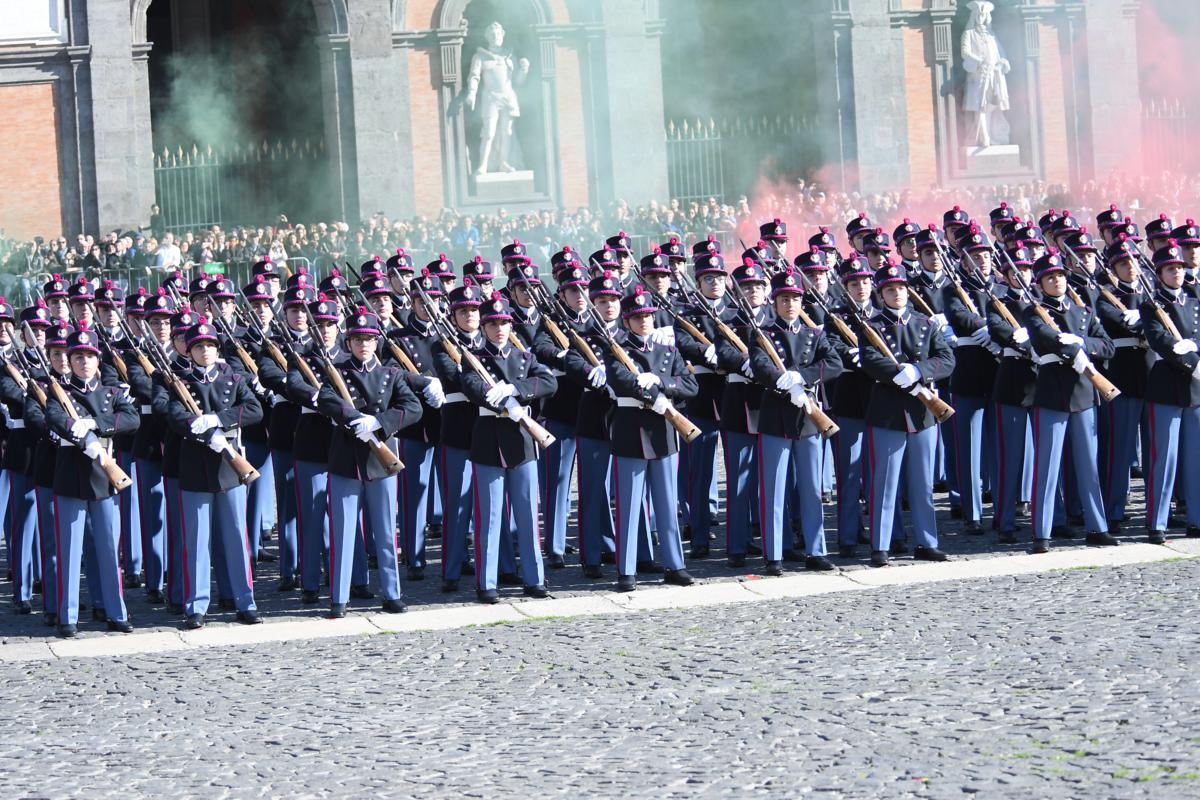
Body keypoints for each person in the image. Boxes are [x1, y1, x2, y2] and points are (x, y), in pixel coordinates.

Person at [316, 306, 422, 617]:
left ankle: (392, 593)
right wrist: (353, 417)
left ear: (377, 342)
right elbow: (325, 399)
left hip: (381, 461)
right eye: (357, 339)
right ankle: (339, 597)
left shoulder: (390, 374)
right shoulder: (337, 371)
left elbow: (413, 407)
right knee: (343, 532)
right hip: (346, 460)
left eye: (369, 339)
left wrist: (379, 422)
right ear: (348, 342)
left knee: (386, 532)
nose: (364, 344)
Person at [166, 316, 264, 629]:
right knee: (196, 543)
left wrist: (219, 420)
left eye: (209, 345)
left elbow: (254, 410)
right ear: (189, 351)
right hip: (196, 467)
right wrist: (200, 428)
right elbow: (174, 415)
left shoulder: (232, 378)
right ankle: (196, 605)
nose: (205, 351)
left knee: (236, 539)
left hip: (230, 467)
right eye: (198, 346)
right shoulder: (180, 382)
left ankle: (245, 601)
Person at [44, 322, 140, 637]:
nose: (84, 362)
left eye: (89, 356)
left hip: (104, 478)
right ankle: (67, 616)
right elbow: (53, 417)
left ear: (98, 359)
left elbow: (131, 419)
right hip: (70, 477)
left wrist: (95, 424)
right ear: (69, 361)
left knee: (110, 551)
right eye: (77, 357)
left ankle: (116, 612)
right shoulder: (59, 393)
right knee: (70, 552)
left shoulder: (111, 393)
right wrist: (74, 428)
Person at [460, 291, 557, 603]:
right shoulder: (473, 358)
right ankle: (486, 583)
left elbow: (549, 382)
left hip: (522, 440)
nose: (499, 328)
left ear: (511, 326)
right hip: (489, 440)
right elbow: (473, 387)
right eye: (492, 324)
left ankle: (535, 578)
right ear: (484, 328)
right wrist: (500, 399)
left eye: (503, 323)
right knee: (489, 517)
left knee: (528, 515)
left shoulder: (524, 358)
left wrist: (516, 389)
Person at [859, 261, 956, 567]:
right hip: (888, 412)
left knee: (922, 483)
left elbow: (946, 359)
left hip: (922, 410)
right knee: (885, 483)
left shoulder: (925, 323)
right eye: (890, 290)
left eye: (900, 288)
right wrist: (896, 373)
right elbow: (869, 359)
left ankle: (927, 541)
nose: (897, 293)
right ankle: (881, 545)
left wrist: (919, 370)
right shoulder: (872, 326)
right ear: (880, 294)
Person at [604, 285, 698, 592]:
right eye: (637, 317)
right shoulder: (616, 349)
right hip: (630, 430)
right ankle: (626, 569)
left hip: (663, 430)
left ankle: (675, 565)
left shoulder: (668, 350)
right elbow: (620, 381)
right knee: (629, 507)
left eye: (647, 315)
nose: (643, 321)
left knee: (668, 505)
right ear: (627, 321)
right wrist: (651, 394)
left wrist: (661, 382)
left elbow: (690, 385)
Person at [750, 267, 843, 574]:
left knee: (812, 488)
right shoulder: (763, 333)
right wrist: (784, 381)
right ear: (774, 302)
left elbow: (833, 363)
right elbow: (761, 366)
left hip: (808, 416)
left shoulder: (814, 334)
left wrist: (802, 377)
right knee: (774, 490)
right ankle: (774, 553)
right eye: (784, 299)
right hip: (776, 415)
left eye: (795, 298)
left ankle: (816, 550)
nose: (790, 304)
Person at [1022, 249, 1117, 553]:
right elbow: (1044, 337)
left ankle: (1097, 527)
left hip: (1084, 394)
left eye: (1060, 275)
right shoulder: (1034, 312)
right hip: (1052, 394)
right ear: (1040, 283)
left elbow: (1108, 346)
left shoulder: (1083, 311)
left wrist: (1082, 343)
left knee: (1089, 466)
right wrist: (1070, 348)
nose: (1057, 281)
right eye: (1050, 277)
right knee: (1047, 468)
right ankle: (1042, 532)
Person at [1140, 240, 1200, 543]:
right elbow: (1159, 340)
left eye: (1179, 267)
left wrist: (1196, 350)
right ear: (1159, 274)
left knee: (1196, 458)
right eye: (1170, 268)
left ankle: (1197, 519)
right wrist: (1189, 359)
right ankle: (1158, 522)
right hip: (1166, 385)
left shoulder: (1195, 301)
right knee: (1165, 458)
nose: (1176, 272)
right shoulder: (1151, 305)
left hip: (1196, 388)